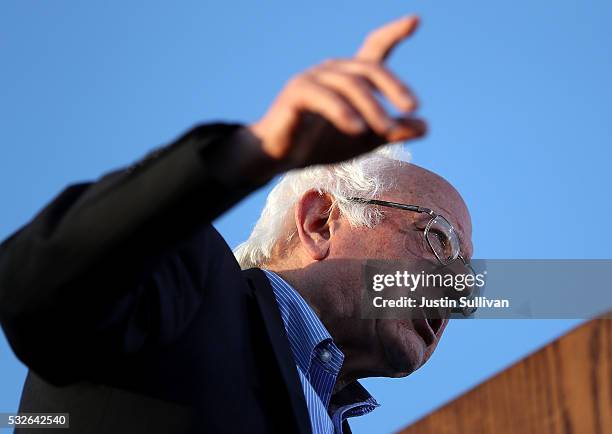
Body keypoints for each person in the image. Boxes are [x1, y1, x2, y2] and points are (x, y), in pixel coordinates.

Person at [0, 15, 472, 434]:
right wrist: (253, 152)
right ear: (321, 222)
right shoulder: (187, 289)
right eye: (439, 242)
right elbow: (34, 289)